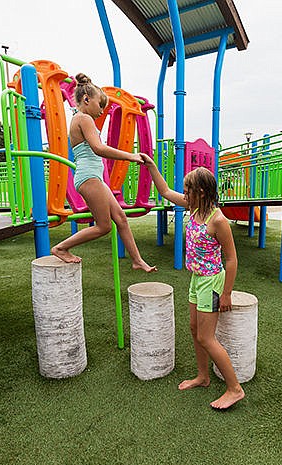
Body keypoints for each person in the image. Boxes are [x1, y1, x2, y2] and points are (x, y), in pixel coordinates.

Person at [144, 159, 244, 409]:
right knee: (193, 328)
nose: (184, 192)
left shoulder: (217, 220)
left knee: (206, 337)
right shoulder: (193, 207)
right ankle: (203, 376)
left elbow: (231, 259)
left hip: (212, 282)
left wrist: (227, 293)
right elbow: (165, 192)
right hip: (196, 279)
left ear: (200, 191)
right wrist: (151, 166)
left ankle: (235, 389)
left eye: (188, 188)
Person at [51, 73, 156, 272]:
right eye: (100, 105)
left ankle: (137, 260)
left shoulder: (80, 118)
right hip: (89, 177)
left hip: (92, 176)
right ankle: (61, 247)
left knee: (121, 218)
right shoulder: (83, 118)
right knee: (104, 226)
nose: (102, 111)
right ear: (86, 99)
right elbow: (99, 149)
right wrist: (130, 156)